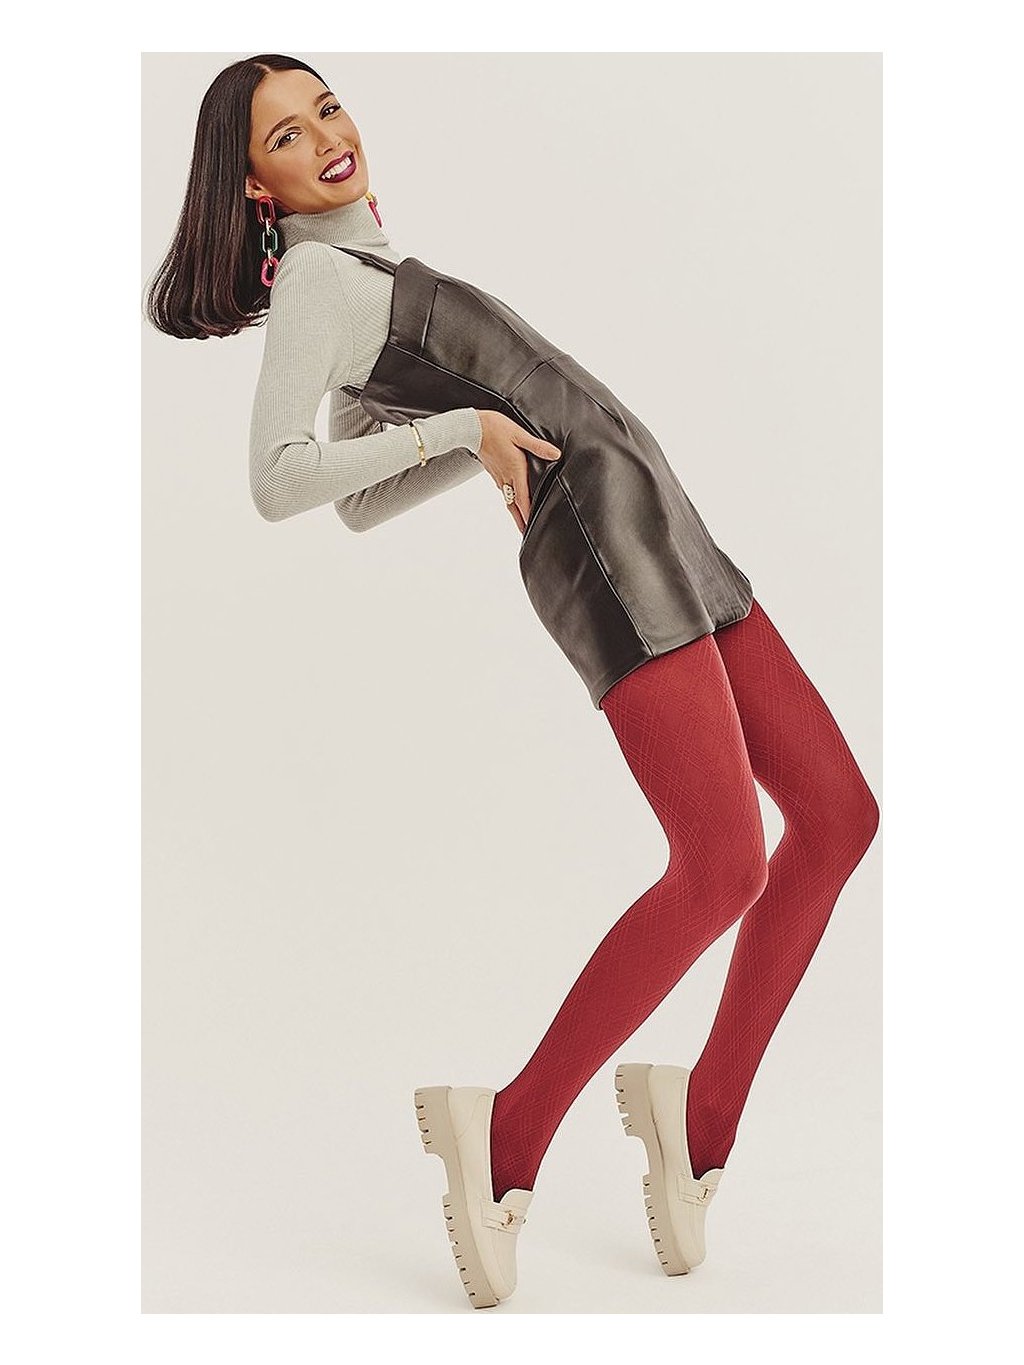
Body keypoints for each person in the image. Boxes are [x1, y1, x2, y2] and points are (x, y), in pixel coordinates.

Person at [146, 54, 880, 1310]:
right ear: (255, 187)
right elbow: (281, 482)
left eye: (326, 107)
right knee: (721, 864)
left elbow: (365, 499)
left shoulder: (370, 265)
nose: (327, 135)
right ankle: (508, 1130)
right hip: (606, 544)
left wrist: (479, 438)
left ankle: (699, 1115)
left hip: (659, 515)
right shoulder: (317, 281)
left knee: (837, 816)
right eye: (287, 136)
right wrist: (465, 432)